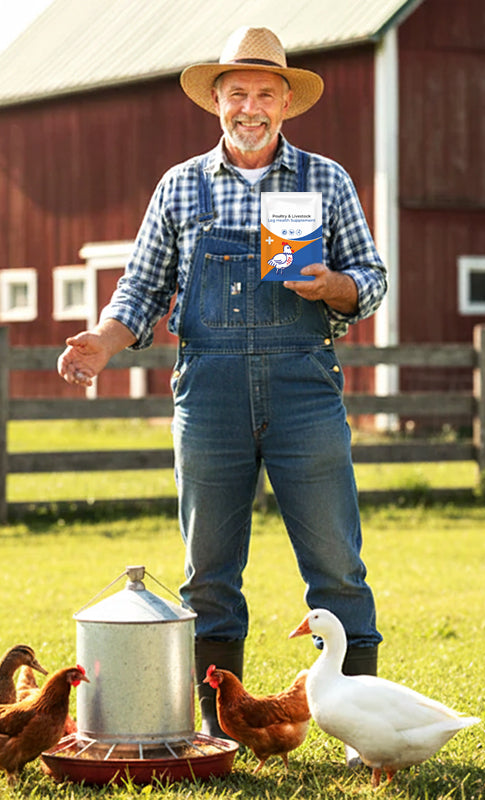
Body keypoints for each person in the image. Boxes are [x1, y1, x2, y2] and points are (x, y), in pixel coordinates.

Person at [58, 26, 386, 742]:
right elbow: (141, 288)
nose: (250, 107)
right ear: (216, 99)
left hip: (305, 387)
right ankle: (217, 726)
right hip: (208, 395)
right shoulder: (179, 186)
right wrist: (103, 342)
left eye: (265, 93)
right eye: (237, 93)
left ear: (285, 104)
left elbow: (372, 279)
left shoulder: (325, 180)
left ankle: (358, 720)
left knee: (336, 561)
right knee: (208, 569)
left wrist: (331, 285)